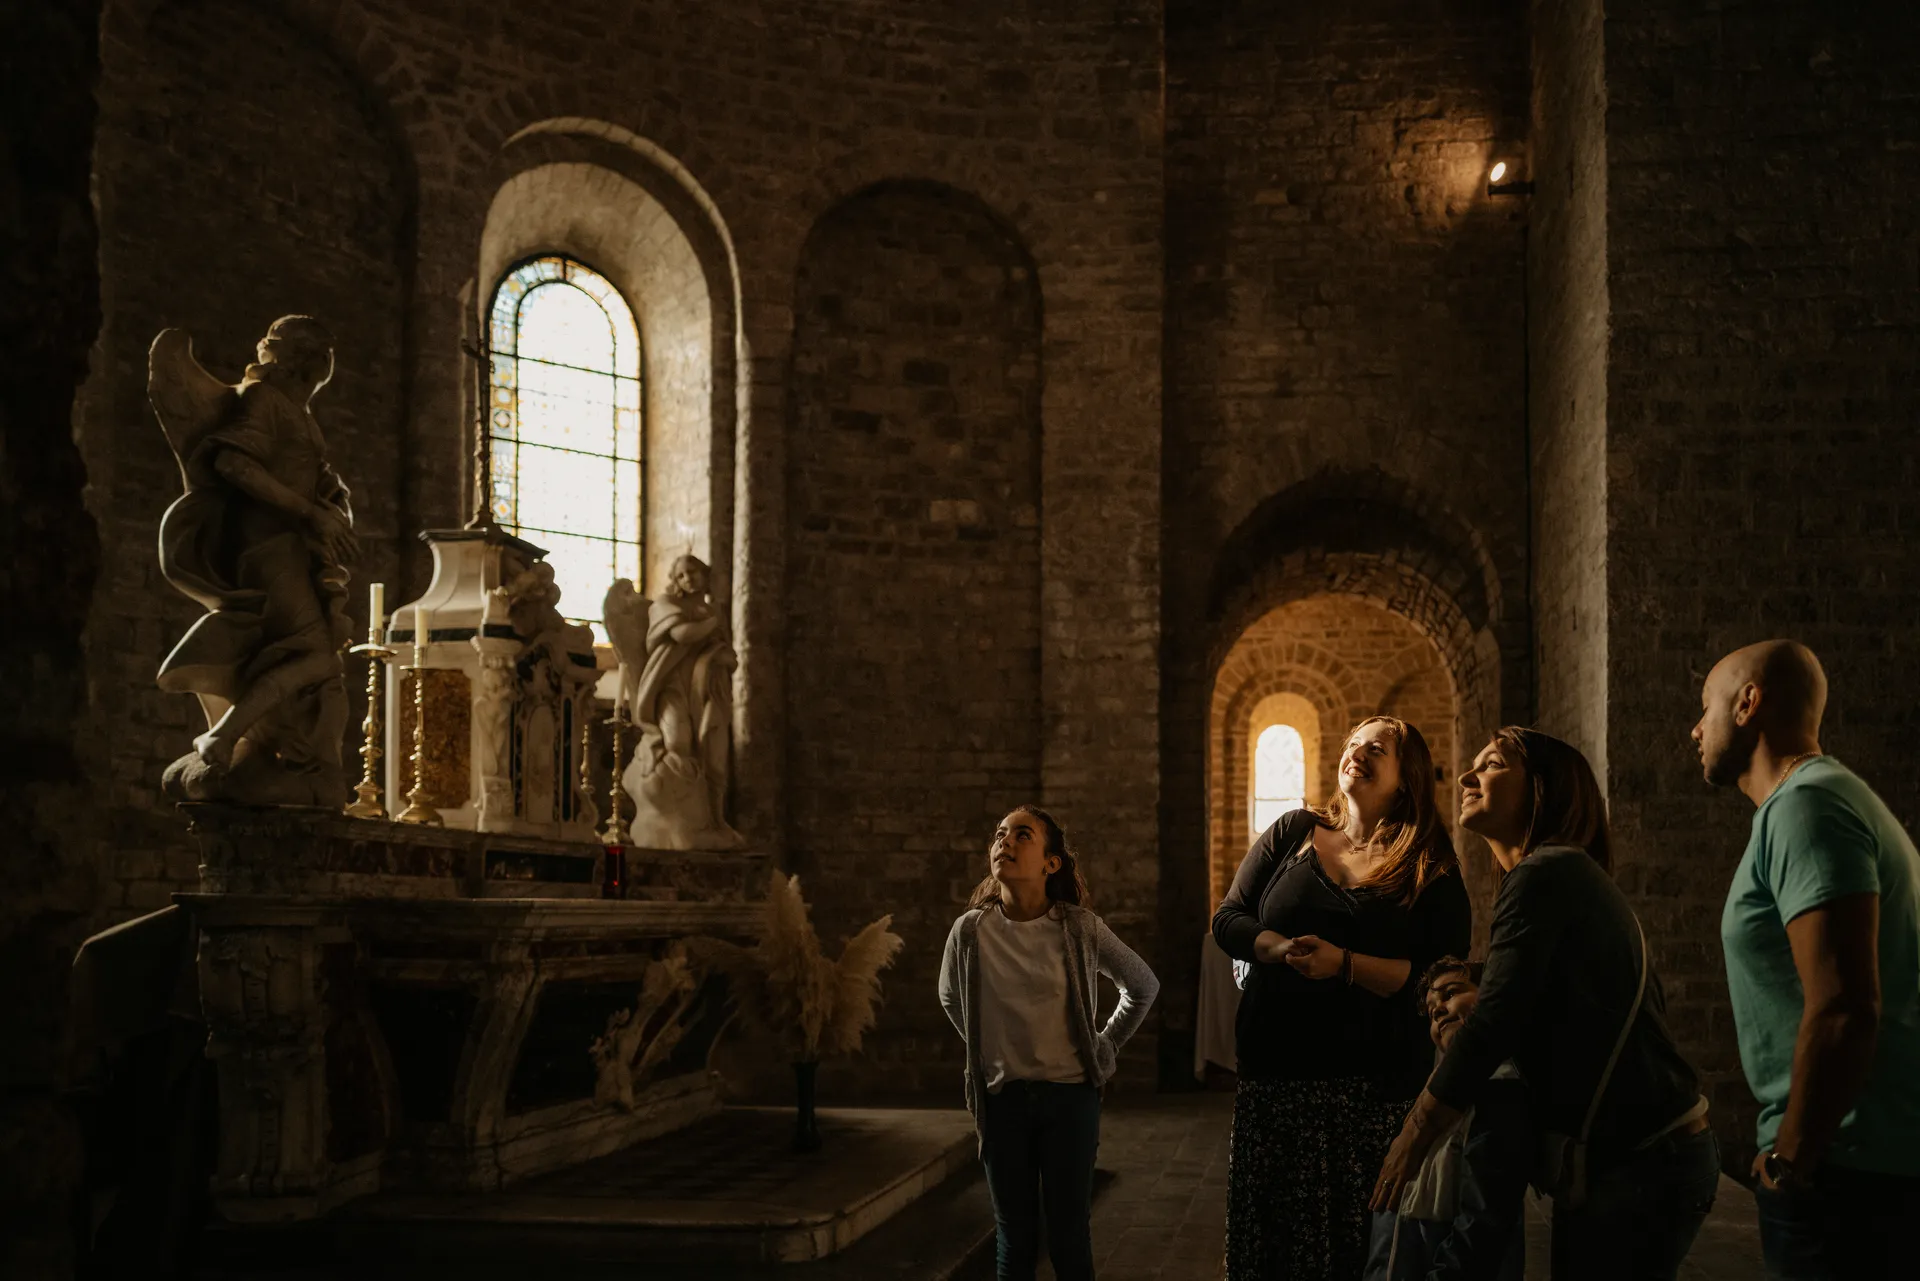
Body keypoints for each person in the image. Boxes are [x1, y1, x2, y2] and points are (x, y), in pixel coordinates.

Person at [1372, 728, 1717, 1281]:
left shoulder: (1547, 872)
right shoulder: (1553, 875)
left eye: (1492, 764)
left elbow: (1495, 1023)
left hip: (1641, 1164)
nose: (1466, 775)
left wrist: (1415, 1134)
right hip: (1636, 1160)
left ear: (1541, 787)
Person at [1693, 640, 1920, 1280]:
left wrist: (1790, 1159)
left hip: (1849, 1174)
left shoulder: (1806, 806)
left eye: (1705, 706)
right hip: (1851, 1166)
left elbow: (1846, 1004)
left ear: (1747, 703)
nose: (1695, 728)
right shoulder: (1808, 804)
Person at [1213, 716, 1471, 1280]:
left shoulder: (1428, 861)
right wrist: (1277, 947)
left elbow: (1440, 971)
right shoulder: (1292, 832)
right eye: (1353, 744)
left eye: (1376, 748)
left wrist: (1345, 965)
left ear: (1407, 778)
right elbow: (1229, 917)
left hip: (1368, 1096)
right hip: (1275, 1087)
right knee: (1275, 1252)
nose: (1357, 752)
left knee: (1356, 1253)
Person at [938, 806, 1160, 1281]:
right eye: (999, 834)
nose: (1005, 843)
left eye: (1022, 835)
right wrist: (985, 1047)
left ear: (1050, 862)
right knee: (1014, 1239)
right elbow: (950, 996)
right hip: (1002, 1102)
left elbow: (1142, 985)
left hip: (1069, 1100)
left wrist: (1105, 1046)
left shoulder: (1078, 927)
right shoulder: (971, 932)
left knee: (1068, 1237)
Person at [1363, 957, 1528, 1281]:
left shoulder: (1498, 1091)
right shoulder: (1431, 1100)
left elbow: (1482, 1225)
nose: (1438, 1009)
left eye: (1451, 993)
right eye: (1431, 1007)